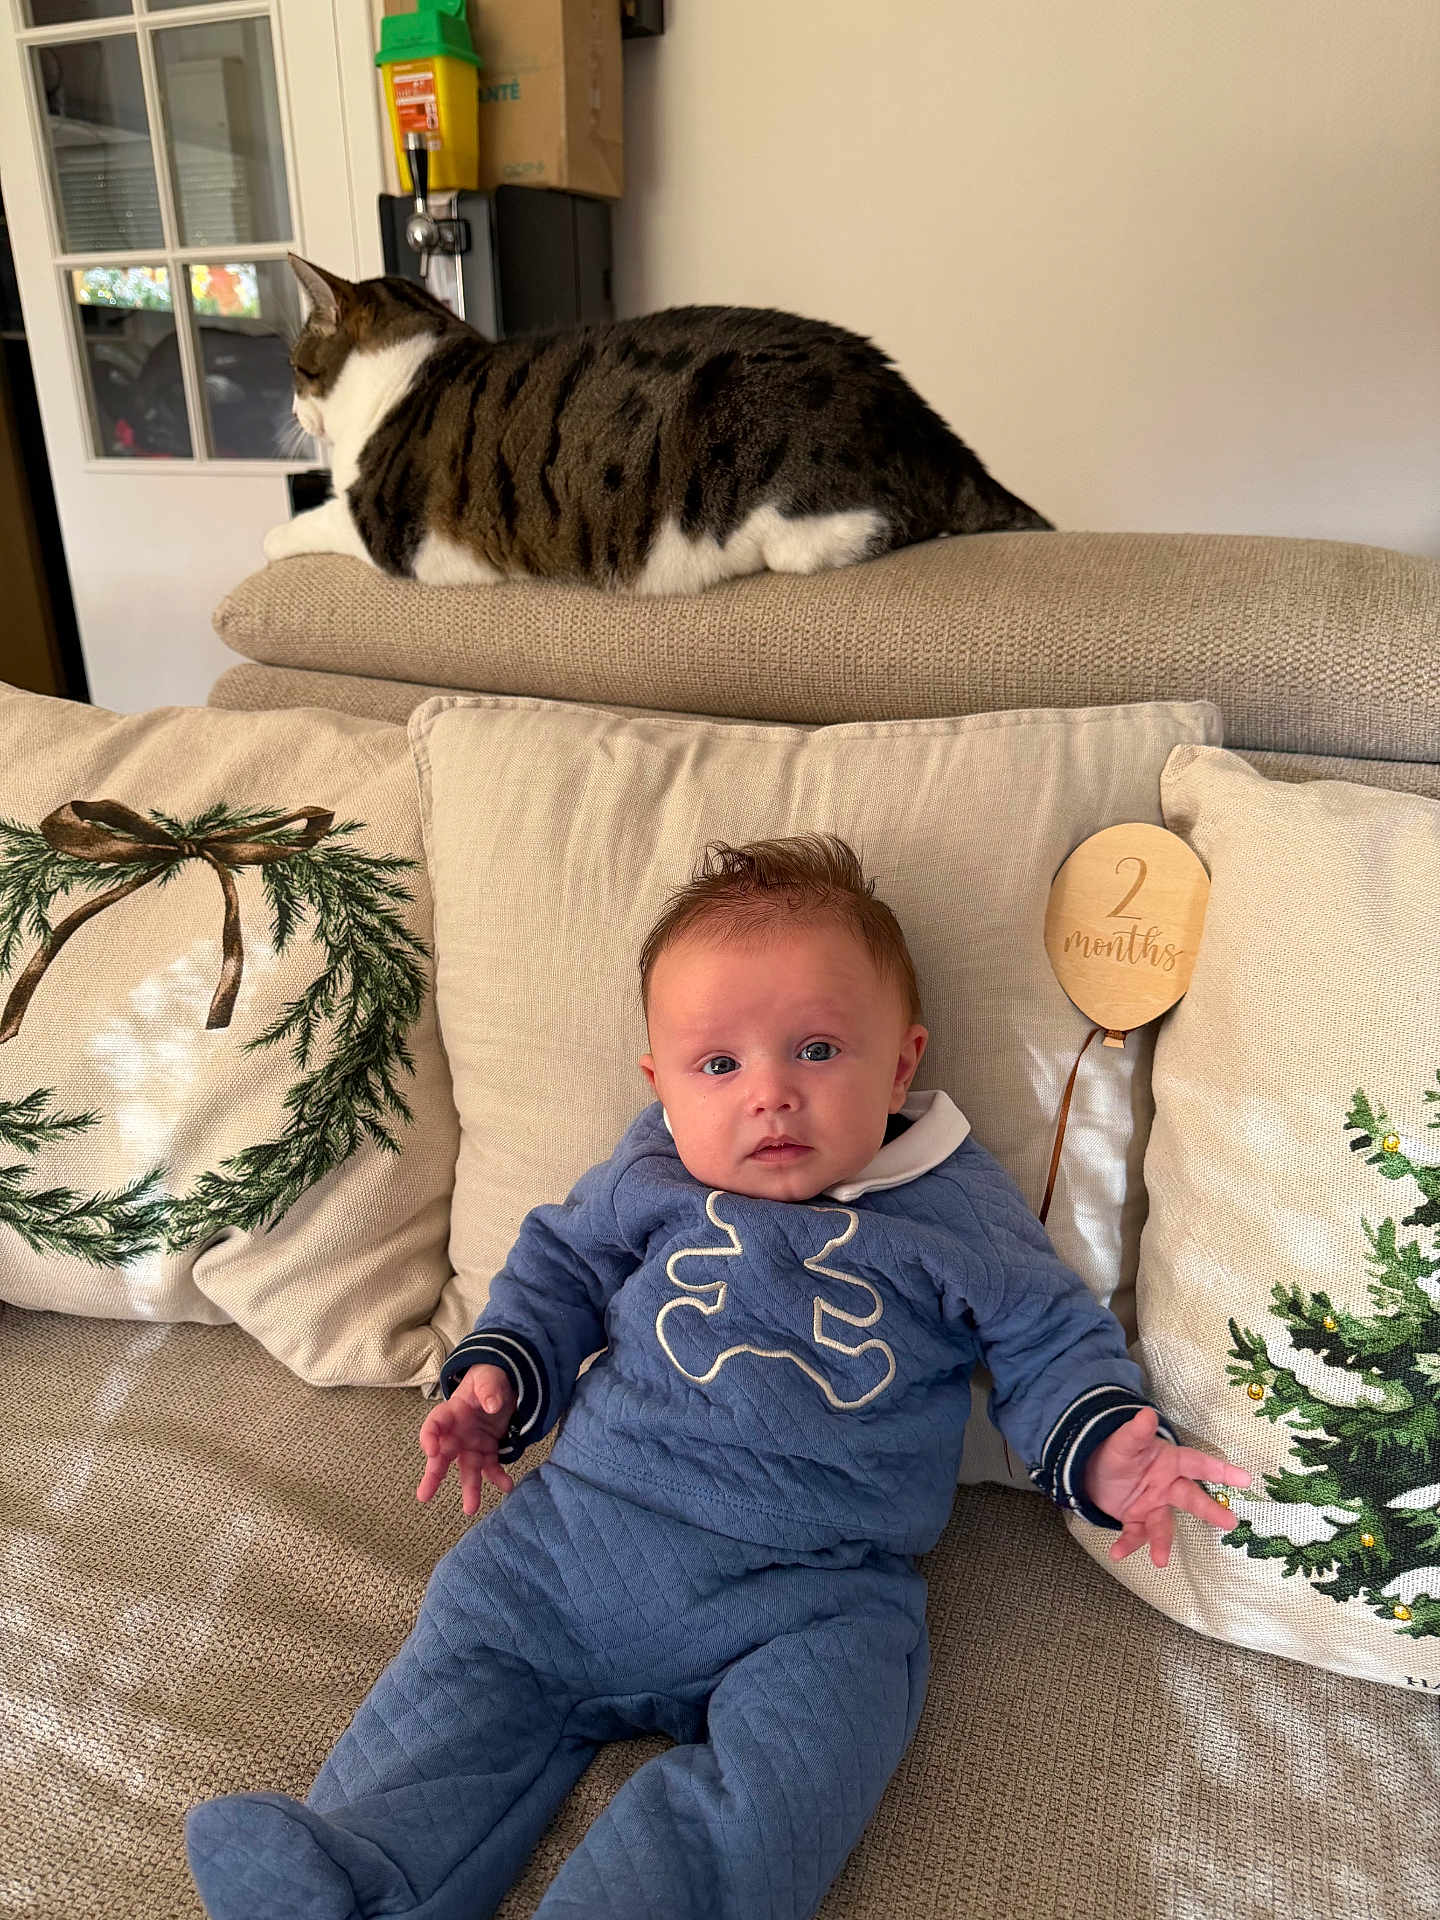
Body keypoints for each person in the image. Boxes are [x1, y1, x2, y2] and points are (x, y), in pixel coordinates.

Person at [186, 833, 1249, 1920]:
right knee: (471, 1653)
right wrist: (496, 1378)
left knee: (805, 1759)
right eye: (720, 1065)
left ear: (902, 1061)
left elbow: (1044, 1333)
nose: (771, 1097)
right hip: (585, 1534)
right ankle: (362, 1873)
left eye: (819, 1051)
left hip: (813, 1587)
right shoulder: (650, 1169)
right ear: (661, 1082)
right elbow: (558, 1267)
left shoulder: (954, 1208)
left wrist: (1109, 1444)